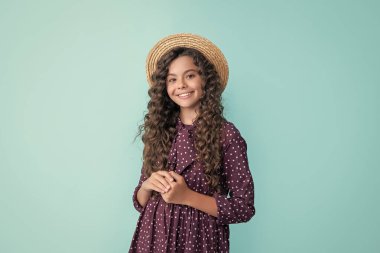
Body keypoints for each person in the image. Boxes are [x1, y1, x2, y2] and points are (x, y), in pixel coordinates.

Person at [129, 33, 255, 253]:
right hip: (152, 239)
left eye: (190, 76)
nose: (181, 85)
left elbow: (243, 208)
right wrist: (148, 184)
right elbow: (140, 201)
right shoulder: (159, 132)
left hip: (199, 241)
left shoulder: (226, 135)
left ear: (205, 79)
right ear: (164, 87)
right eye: (172, 79)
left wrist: (187, 197)